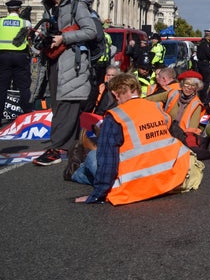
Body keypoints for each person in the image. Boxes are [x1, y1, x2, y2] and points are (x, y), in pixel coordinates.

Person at [72, 73, 202, 205]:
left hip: (137, 182)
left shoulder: (116, 116)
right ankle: (78, 168)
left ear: (115, 94)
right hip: (170, 177)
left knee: (93, 158)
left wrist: (97, 195)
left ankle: (76, 171)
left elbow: (108, 160)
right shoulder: (157, 108)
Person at [33, 0, 100, 167]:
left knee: (66, 105)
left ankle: (56, 149)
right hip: (55, 61)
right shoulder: (51, 7)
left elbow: (91, 31)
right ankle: (75, 147)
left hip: (73, 62)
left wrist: (64, 38)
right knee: (59, 105)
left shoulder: (76, 4)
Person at [147, 70, 206, 138]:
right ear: (182, 84)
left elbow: (192, 129)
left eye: (193, 85)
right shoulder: (173, 93)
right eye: (187, 84)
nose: (189, 87)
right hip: (165, 131)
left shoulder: (196, 104)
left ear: (197, 88)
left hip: (182, 137)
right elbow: (150, 99)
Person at [0, 0, 33, 118]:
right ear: (19, 10)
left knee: (2, 87)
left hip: (3, 57)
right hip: (20, 56)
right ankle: (27, 116)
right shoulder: (25, 23)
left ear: (7, 10)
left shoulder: (1, 22)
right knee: (24, 87)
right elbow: (29, 36)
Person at [196, 29, 210, 100]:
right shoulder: (205, 43)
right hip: (204, 63)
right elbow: (208, 54)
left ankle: (200, 95)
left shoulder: (200, 42)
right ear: (209, 36)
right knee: (206, 81)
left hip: (200, 63)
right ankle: (203, 97)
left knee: (201, 80)